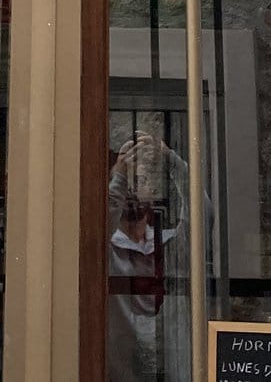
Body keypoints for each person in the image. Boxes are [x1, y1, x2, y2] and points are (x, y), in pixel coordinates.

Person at [106, 130, 210, 382]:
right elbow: (99, 227)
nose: (131, 190)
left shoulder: (170, 244)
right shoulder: (105, 248)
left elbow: (204, 213)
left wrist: (170, 160)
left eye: (139, 180)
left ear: (153, 191)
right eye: (126, 182)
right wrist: (118, 177)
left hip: (174, 368)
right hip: (120, 370)